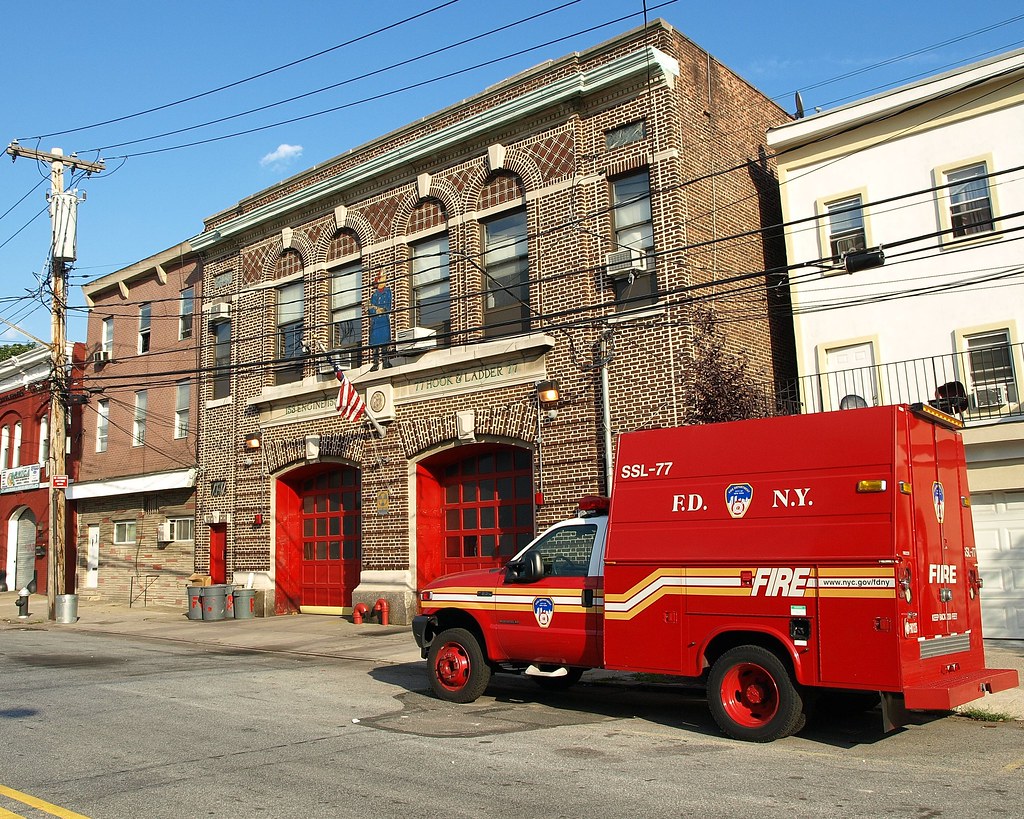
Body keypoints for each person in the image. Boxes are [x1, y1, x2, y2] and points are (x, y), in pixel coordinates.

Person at [367, 273, 392, 369]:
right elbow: (370, 308)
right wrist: (374, 309)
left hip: (384, 320)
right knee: (375, 344)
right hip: (376, 322)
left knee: (385, 342)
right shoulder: (374, 295)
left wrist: (378, 309)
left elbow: (388, 307)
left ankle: (386, 362)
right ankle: (375, 363)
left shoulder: (388, 292)